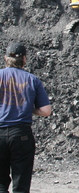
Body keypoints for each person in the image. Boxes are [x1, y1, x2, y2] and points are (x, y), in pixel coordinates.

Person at [0, 43, 51, 193]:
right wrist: (30, 109)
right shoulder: (32, 80)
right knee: (21, 185)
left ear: (5, 58)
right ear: (24, 59)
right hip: (21, 134)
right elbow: (46, 111)